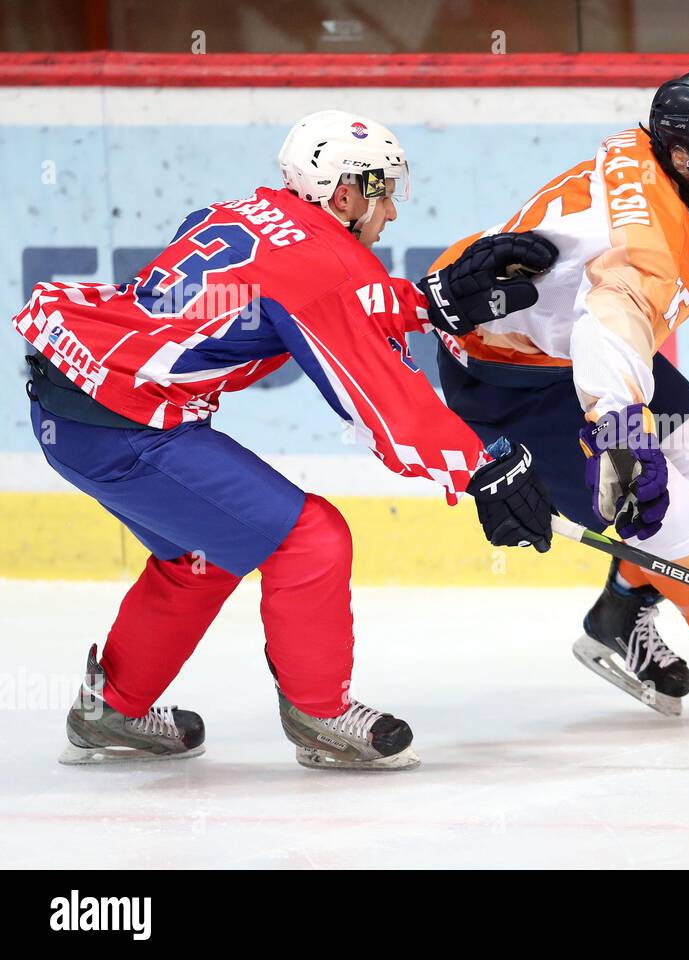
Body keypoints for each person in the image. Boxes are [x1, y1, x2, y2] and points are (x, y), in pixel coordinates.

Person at [11, 110, 557, 770]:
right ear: (346, 194)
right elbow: (377, 397)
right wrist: (480, 466)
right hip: (130, 423)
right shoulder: (323, 264)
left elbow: (295, 294)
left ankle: (115, 708)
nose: (391, 214)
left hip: (71, 407)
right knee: (312, 539)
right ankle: (321, 716)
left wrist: (427, 302)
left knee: (198, 559)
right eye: (383, 194)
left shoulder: (238, 214)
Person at [420, 72, 689, 719]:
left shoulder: (647, 158)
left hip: (564, 341)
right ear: (683, 155)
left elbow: (681, 224)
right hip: (510, 376)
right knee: (656, 499)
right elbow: (608, 338)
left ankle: (619, 612)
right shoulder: (641, 262)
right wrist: (621, 439)